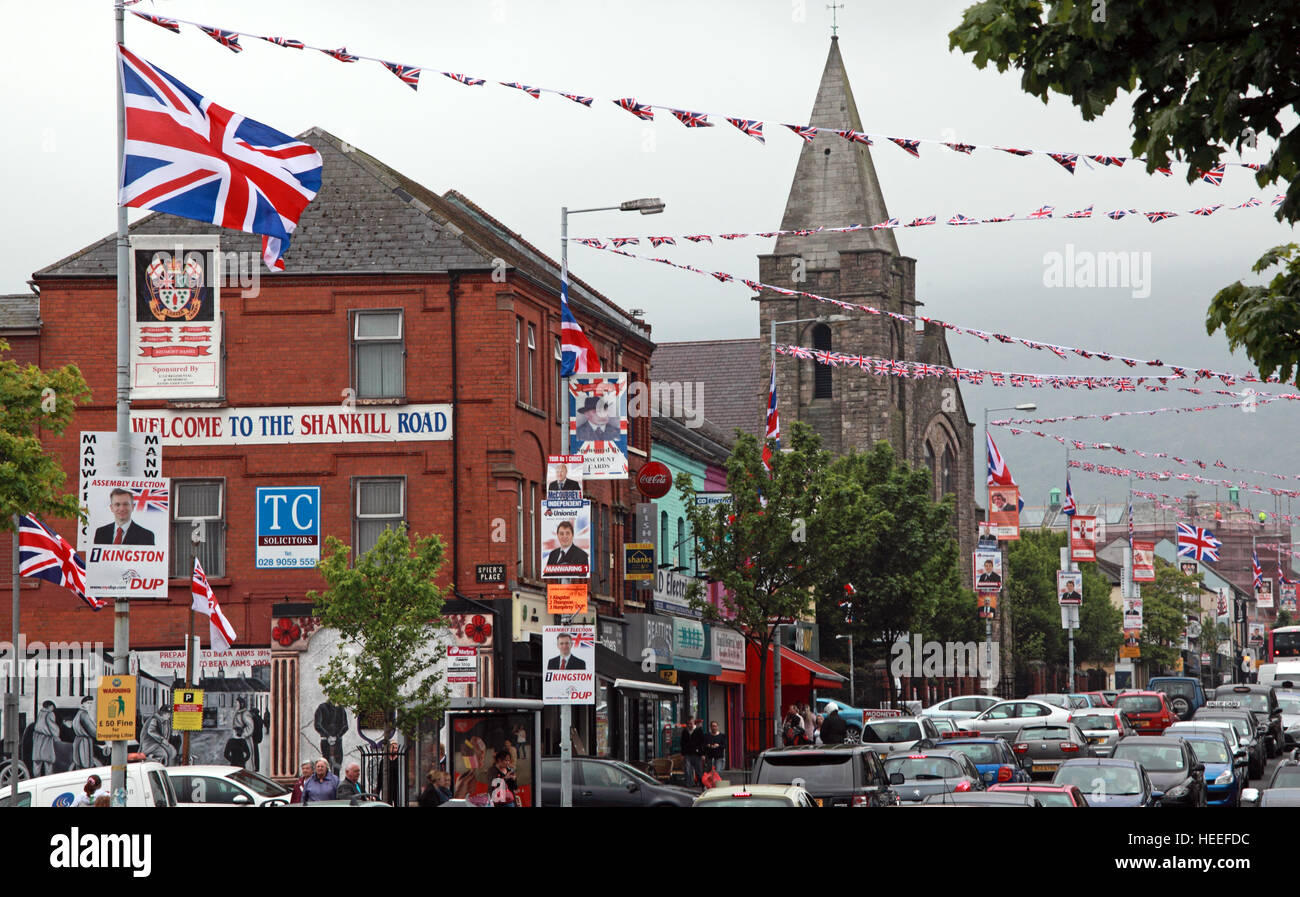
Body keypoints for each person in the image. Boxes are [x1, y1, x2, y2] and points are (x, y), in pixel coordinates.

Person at [32, 700, 59, 777]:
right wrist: (56, 736)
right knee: (48, 762)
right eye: (52, 707)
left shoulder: (40, 713)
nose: (53, 708)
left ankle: (36, 779)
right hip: (46, 739)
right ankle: (48, 780)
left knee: (37, 762)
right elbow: (52, 726)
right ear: (50, 706)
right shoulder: (50, 714)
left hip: (37, 739)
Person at [72, 695, 98, 770]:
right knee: (85, 763)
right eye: (88, 703)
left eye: (91, 703)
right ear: (83, 704)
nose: (90, 705)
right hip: (84, 741)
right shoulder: (84, 714)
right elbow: (92, 730)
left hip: (79, 740)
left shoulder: (79, 713)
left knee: (79, 763)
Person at [680, 718, 705, 787]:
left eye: (691, 723)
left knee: (698, 770)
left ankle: (702, 784)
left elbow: (702, 743)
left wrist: (702, 754)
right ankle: (689, 784)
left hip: (697, 753)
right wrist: (682, 754)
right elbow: (682, 743)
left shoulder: (699, 731)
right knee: (687, 769)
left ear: (694, 723)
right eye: (688, 724)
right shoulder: (685, 731)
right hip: (687, 753)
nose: (689, 725)